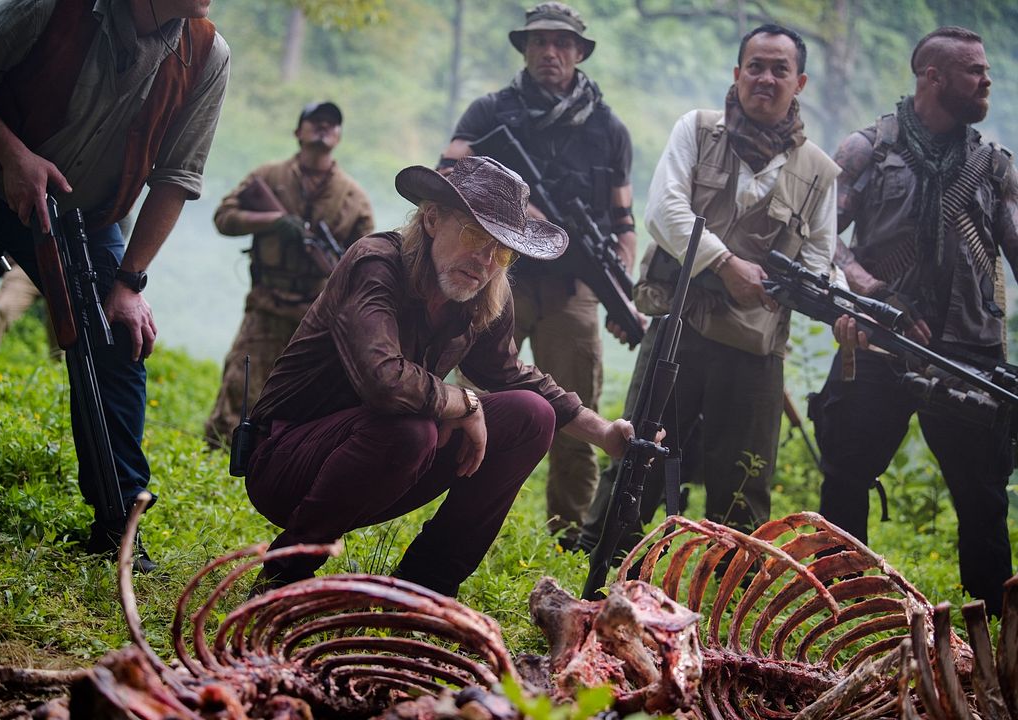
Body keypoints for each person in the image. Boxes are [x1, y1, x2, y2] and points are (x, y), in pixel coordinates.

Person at [244, 156, 653, 597]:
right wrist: (465, 402)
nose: (485, 260)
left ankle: (423, 590)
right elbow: (384, 381)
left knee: (530, 415)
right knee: (411, 429)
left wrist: (605, 432)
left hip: (383, 464)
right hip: (286, 462)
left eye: (502, 250)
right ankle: (284, 577)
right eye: (475, 235)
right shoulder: (375, 264)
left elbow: (512, 375)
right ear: (433, 218)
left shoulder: (484, 289)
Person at [0, 0, 231, 566]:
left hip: (82, 215)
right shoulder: (52, 3)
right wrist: (15, 156)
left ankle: (120, 524)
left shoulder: (208, 53)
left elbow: (176, 178)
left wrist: (129, 282)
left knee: (118, 341)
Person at [581, 24, 839, 553]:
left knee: (744, 478)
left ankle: (727, 588)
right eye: (756, 66)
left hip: (755, 346)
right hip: (680, 325)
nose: (765, 78)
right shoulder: (697, 131)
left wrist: (819, 295)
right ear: (737, 73)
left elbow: (818, 258)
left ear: (800, 82)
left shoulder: (819, 172)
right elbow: (663, 211)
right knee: (640, 453)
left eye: (780, 69)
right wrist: (724, 264)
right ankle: (602, 561)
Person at [814, 27, 1016, 616]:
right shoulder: (868, 150)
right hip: (881, 343)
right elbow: (821, 237)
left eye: (985, 70)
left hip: (971, 355)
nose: (986, 80)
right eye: (974, 70)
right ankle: (840, 613)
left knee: (983, 500)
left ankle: (999, 630)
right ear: (933, 77)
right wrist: (871, 290)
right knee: (846, 476)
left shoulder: (994, 166)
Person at [438, 2, 638, 544]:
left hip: (574, 289)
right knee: (474, 396)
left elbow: (623, 219)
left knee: (576, 409)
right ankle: (448, 508)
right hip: (498, 272)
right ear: (525, 49)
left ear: (579, 51)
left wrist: (623, 285)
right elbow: (448, 174)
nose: (550, 51)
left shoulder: (607, 127)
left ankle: (567, 534)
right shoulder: (490, 112)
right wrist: (521, 214)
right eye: (539, 42)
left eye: (562, 43)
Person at [204, 101, 374, 449]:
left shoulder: (355, 198)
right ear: (298, 132)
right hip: (266, 304)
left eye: (331, 123)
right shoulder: (267, 176)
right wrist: (273, 222)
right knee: (240, 385)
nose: (323, 127)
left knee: (307, 396)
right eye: (315, 121)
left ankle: (282, 455)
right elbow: (224, 217)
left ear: (339, 137)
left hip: (317, 314)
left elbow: (365, 264)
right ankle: (220, 455)